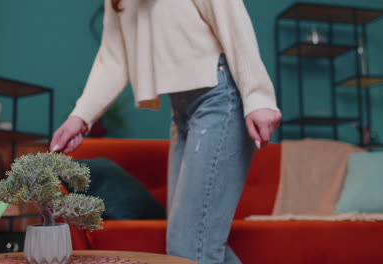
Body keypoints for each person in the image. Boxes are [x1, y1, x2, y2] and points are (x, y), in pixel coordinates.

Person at [50, 0, 282, 263]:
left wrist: (259, 97)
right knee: (189, 242)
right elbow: (114, 58)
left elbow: (231, 19)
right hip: (182, 111)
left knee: (190, 247)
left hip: (220, 98)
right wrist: (80, 116)